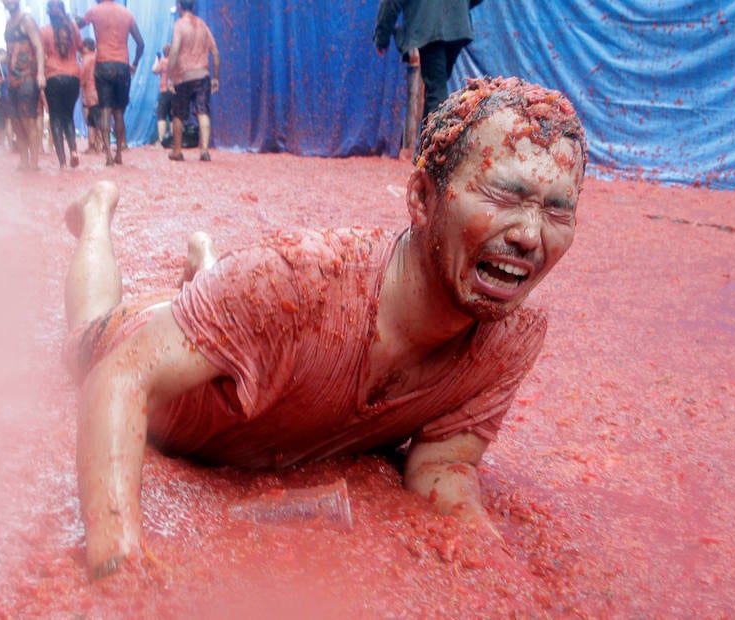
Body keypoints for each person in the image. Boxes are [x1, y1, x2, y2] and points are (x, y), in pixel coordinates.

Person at [63, 75, 587, 579]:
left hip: (240, 331)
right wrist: (117, 561)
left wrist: (484, 549)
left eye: (557, 211)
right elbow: (119, 376)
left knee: (238, 316)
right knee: (81, 338)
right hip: (150, 356)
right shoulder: (299, 281)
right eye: (503, 196)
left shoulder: (510, 340)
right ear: (423, 198)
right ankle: (96, 214)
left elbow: (444, 460)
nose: (529, 235)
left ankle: (204, 273)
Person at [374, 0, 483, 121]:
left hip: (427, 28)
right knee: (434, 86)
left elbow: (390, 3)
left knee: (436, 88)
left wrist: (382, 37)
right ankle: (424, 136)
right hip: (457, 27)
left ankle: (440, 135)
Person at [77, 0, 144, 166]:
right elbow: (140, 43)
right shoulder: (126, 13)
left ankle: (108, 155)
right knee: (119, 111)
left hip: (103, 64)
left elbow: (74, 27)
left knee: (105, 109)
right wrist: (134, 63)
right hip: (122, 65)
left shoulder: (94, 11)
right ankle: (119, 153)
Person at [166, 0, 219, 162]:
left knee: (178, 114)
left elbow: (174, 50)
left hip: (182, 76)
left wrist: (169, 76)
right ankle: (204, 151)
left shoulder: (179, 25)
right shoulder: (202, 24)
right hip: (202, 75)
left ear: (180, 6)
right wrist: (216, 77)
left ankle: (177, 151)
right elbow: (215, 53)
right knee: (202, 111)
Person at [2, 0, 46, 170]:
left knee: (28, 121)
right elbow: (9, 53)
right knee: (16, 122)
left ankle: (34, 162)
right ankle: (23, 161)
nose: (9, 1)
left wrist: (41, 73)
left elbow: (39, 47)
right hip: (12, 81)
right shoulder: (8, 24)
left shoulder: (26, 20)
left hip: (28, 77)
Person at [41, 0, 83, 169]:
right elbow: (80, 46)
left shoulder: (44, 31)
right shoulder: (73, 28)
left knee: (56, 118)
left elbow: (41, 53)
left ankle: (63, 162)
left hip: (53, 76)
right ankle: (74, 150)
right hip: (73, 75)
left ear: (48, 13)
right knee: (68, 116)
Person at [78, 37, 102, 154]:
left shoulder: (87, 59)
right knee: (93, 120)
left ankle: (98, 145)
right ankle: (95, 145)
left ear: (85, 47)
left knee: (95, 121)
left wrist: (77, 85)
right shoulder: (98, 57)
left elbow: (83, 75)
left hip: (91, 93)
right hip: (98, 92)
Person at [151, 43, 172, 146]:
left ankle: (162, 140)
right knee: (173, 116)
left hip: (164, 91)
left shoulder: (163, 62)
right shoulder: (176, 62)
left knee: (161, 116)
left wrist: (157, 59)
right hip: (175, 91)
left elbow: (154, 70)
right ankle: (174, 140)